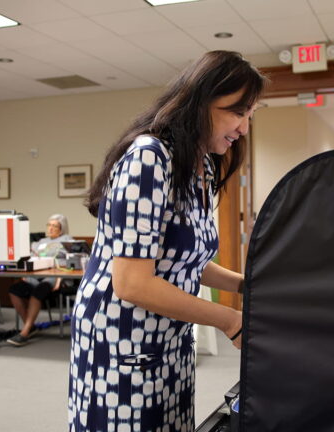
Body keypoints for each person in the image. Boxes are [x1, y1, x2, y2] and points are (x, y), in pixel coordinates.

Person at [68, 51, 267, 431]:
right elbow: (132, 282)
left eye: (249, 115)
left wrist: (245, 285)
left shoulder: (200, 164)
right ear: (199, 102)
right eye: (237, 112)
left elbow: (182, 258)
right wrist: (230, 320)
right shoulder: (149, 158)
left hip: (168, 336)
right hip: (122, 340)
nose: (244, 128)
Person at [6, 214, 73, 346]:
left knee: (38, 291)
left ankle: (25, 332)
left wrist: (60, 278)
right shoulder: (39, 243)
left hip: (56, 276)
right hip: (36, 275)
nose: (50, 228)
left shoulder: (67, 241)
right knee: (14, 290)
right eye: (49, 225)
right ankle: (31, 326)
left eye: (55, 226)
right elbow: (30, 259)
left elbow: (71, 261)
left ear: (62, 228)